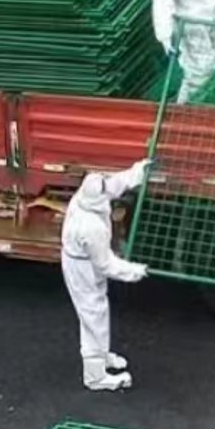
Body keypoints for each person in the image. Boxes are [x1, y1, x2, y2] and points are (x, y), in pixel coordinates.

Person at [61, 160, 150, 391]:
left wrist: (137, 171)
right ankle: (95, 376)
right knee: (93, 315)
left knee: (98, 311)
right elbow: (106, 265)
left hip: (82, 261)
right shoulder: (90, 226)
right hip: (82, 268)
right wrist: (135, 271)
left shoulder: (86, 195)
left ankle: (101, 355)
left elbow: (114, 184)